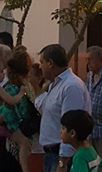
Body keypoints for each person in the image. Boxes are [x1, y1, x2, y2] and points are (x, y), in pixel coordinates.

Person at [35, 44, 91, 172]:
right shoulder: (55, 84)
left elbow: (71, 127)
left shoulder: (71, 86)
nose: (40, 67)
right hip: (50, 154)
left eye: (42, 62)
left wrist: (62, 163)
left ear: (50, 63)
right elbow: (45, 109)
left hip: (61, 155)